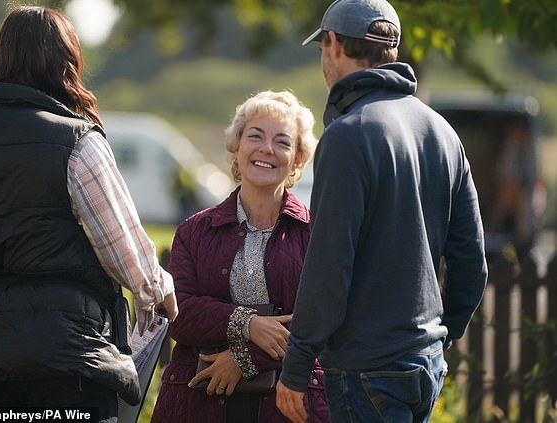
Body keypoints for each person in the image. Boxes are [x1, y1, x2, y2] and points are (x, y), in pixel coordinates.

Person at [0, 6, 177, 423]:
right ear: (66, 61)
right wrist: (160, 293)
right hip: (71, 354)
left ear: (2, 55)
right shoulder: (74, 138)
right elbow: (126, 253)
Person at [276, 1, 488, 422]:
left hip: (366, 368)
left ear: (334, 45)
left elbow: (329, 265)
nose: (323, 59)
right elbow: (472, 264)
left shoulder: (347, 135)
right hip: (425, 362)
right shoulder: (443, 131)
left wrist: (296, 366)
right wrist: (438, 339)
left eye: (322, 47)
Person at [150, 90, 329, 423]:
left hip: (287, 406)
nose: (267, 149)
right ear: (236, 145)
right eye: (255, 136)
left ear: (299, 158)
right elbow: (182, 314)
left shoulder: (317, 234)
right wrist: (249, 324)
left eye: (283, 142)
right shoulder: (193, 231)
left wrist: (245, 359)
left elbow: (322, 320)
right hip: (198, 405)